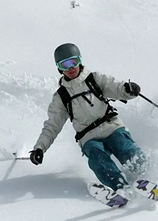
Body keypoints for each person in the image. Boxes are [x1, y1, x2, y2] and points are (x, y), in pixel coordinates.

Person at [30, 43, 145, 191]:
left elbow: (115, 87)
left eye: (74, 62)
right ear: (59, 68)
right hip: (88, 137)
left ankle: (145, 177)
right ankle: (121, 188)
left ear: (80, 61)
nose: (71, 68)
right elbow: (52, 125)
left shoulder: (95, 79)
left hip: (111, 126)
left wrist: (127, 90)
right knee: (97, 159)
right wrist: (40, 148)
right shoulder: (61, 97)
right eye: (65, 65)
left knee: (125, 147)